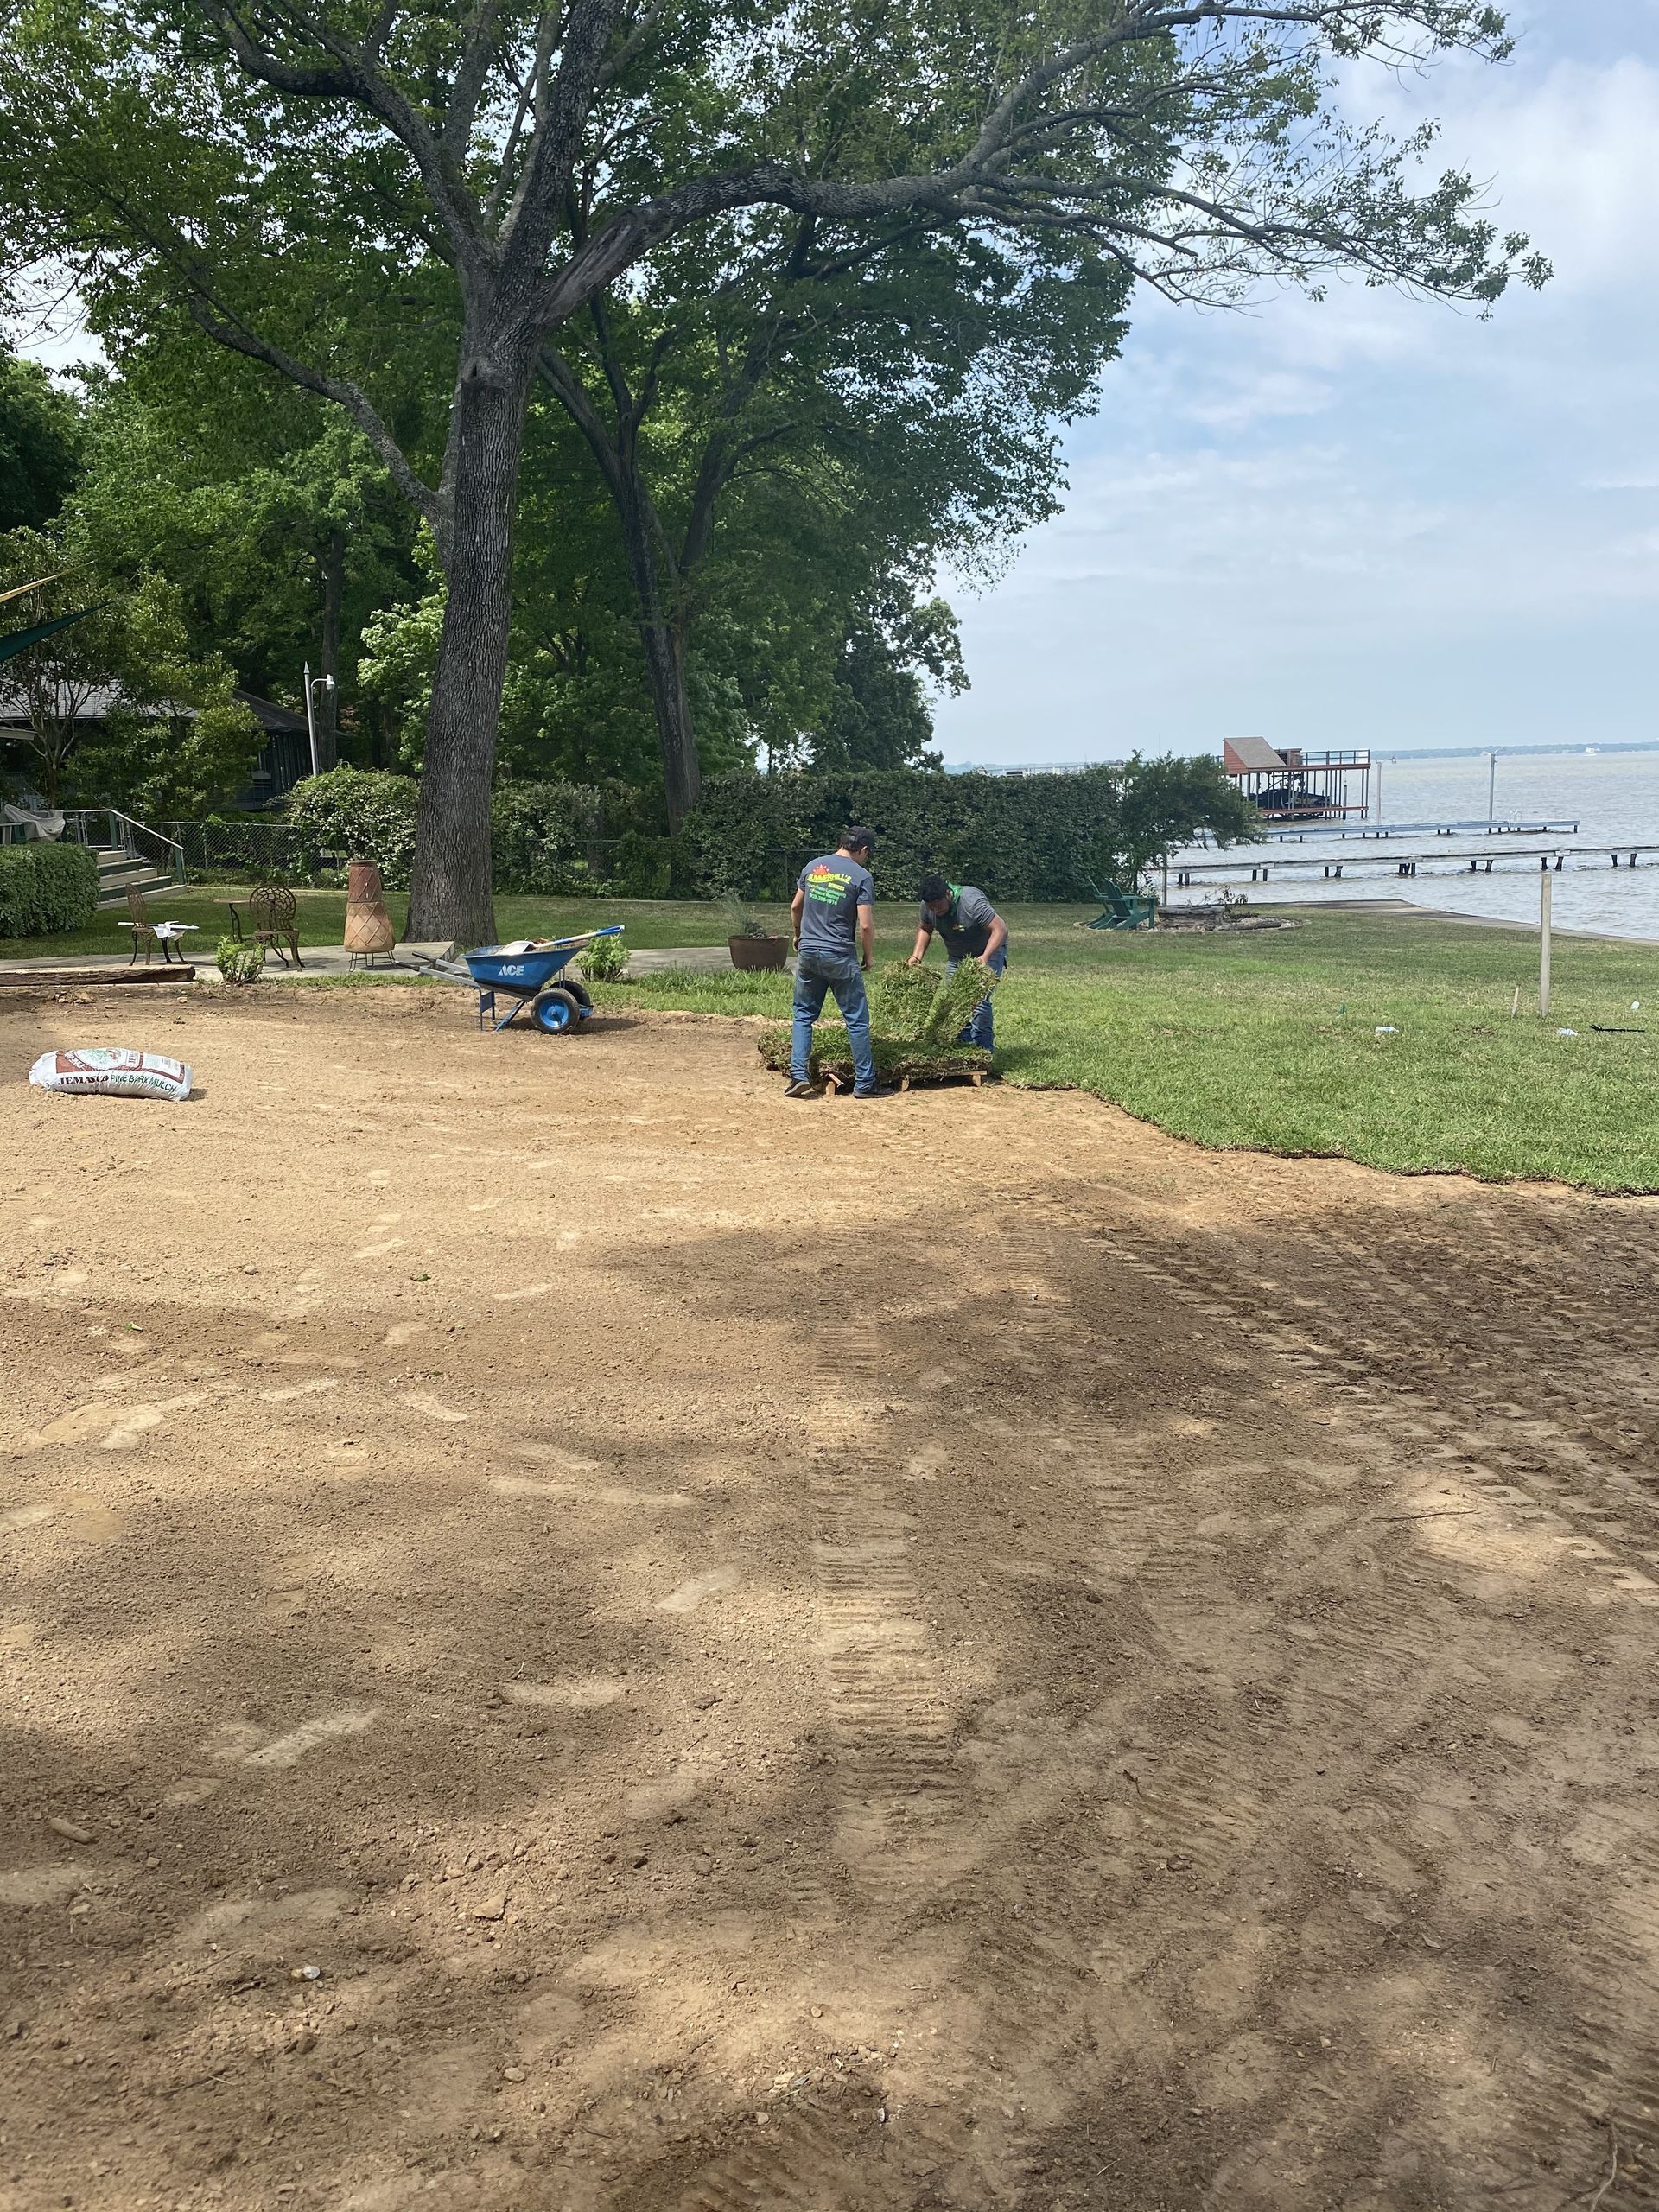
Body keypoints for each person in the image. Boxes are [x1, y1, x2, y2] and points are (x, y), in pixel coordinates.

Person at [786, 828, 891, 1099]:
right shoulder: (861, 876)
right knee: (856, 1020)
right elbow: (865, 925)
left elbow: (796, 907)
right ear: (864, 850)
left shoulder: (813, 867)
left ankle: (798, 1076)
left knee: (803, 1015)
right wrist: (868, 956)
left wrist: (798, 935)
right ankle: (865, 1083)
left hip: (809, 952)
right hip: (840, 955)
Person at [907, 874, 1008, 1051]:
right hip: (957, 955)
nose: (935, 911)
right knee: (953, 1000)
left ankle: (983, 1049)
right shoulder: (927, 906)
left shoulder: (971, 902)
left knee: (979, 1001)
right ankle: (963, 1044)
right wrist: (917, 956)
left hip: (988, 950)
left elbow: (1000, 930)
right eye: (931, 907)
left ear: (948, 894)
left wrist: (985, 957)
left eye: (938, 906)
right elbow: (925, 928)